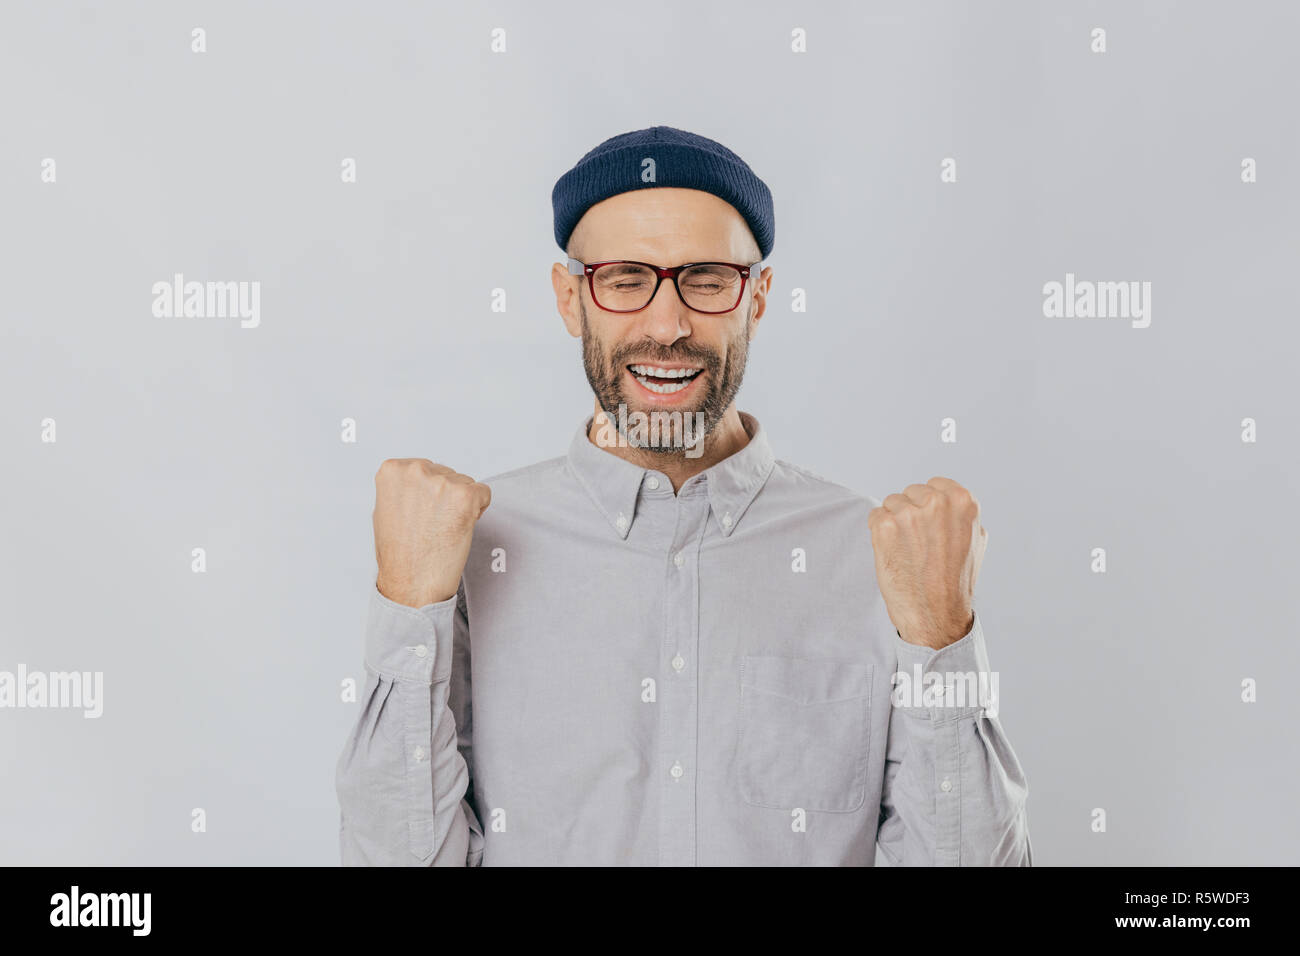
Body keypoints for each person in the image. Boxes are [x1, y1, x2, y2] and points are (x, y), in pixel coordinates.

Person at [335, 126, 1032, 866]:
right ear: (571, 300)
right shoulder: (465, 554)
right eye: (626, 280)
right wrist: (409, 615)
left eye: (705, 280)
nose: (667, 327)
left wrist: (941, 640)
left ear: (756, 298)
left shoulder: (880, 560)